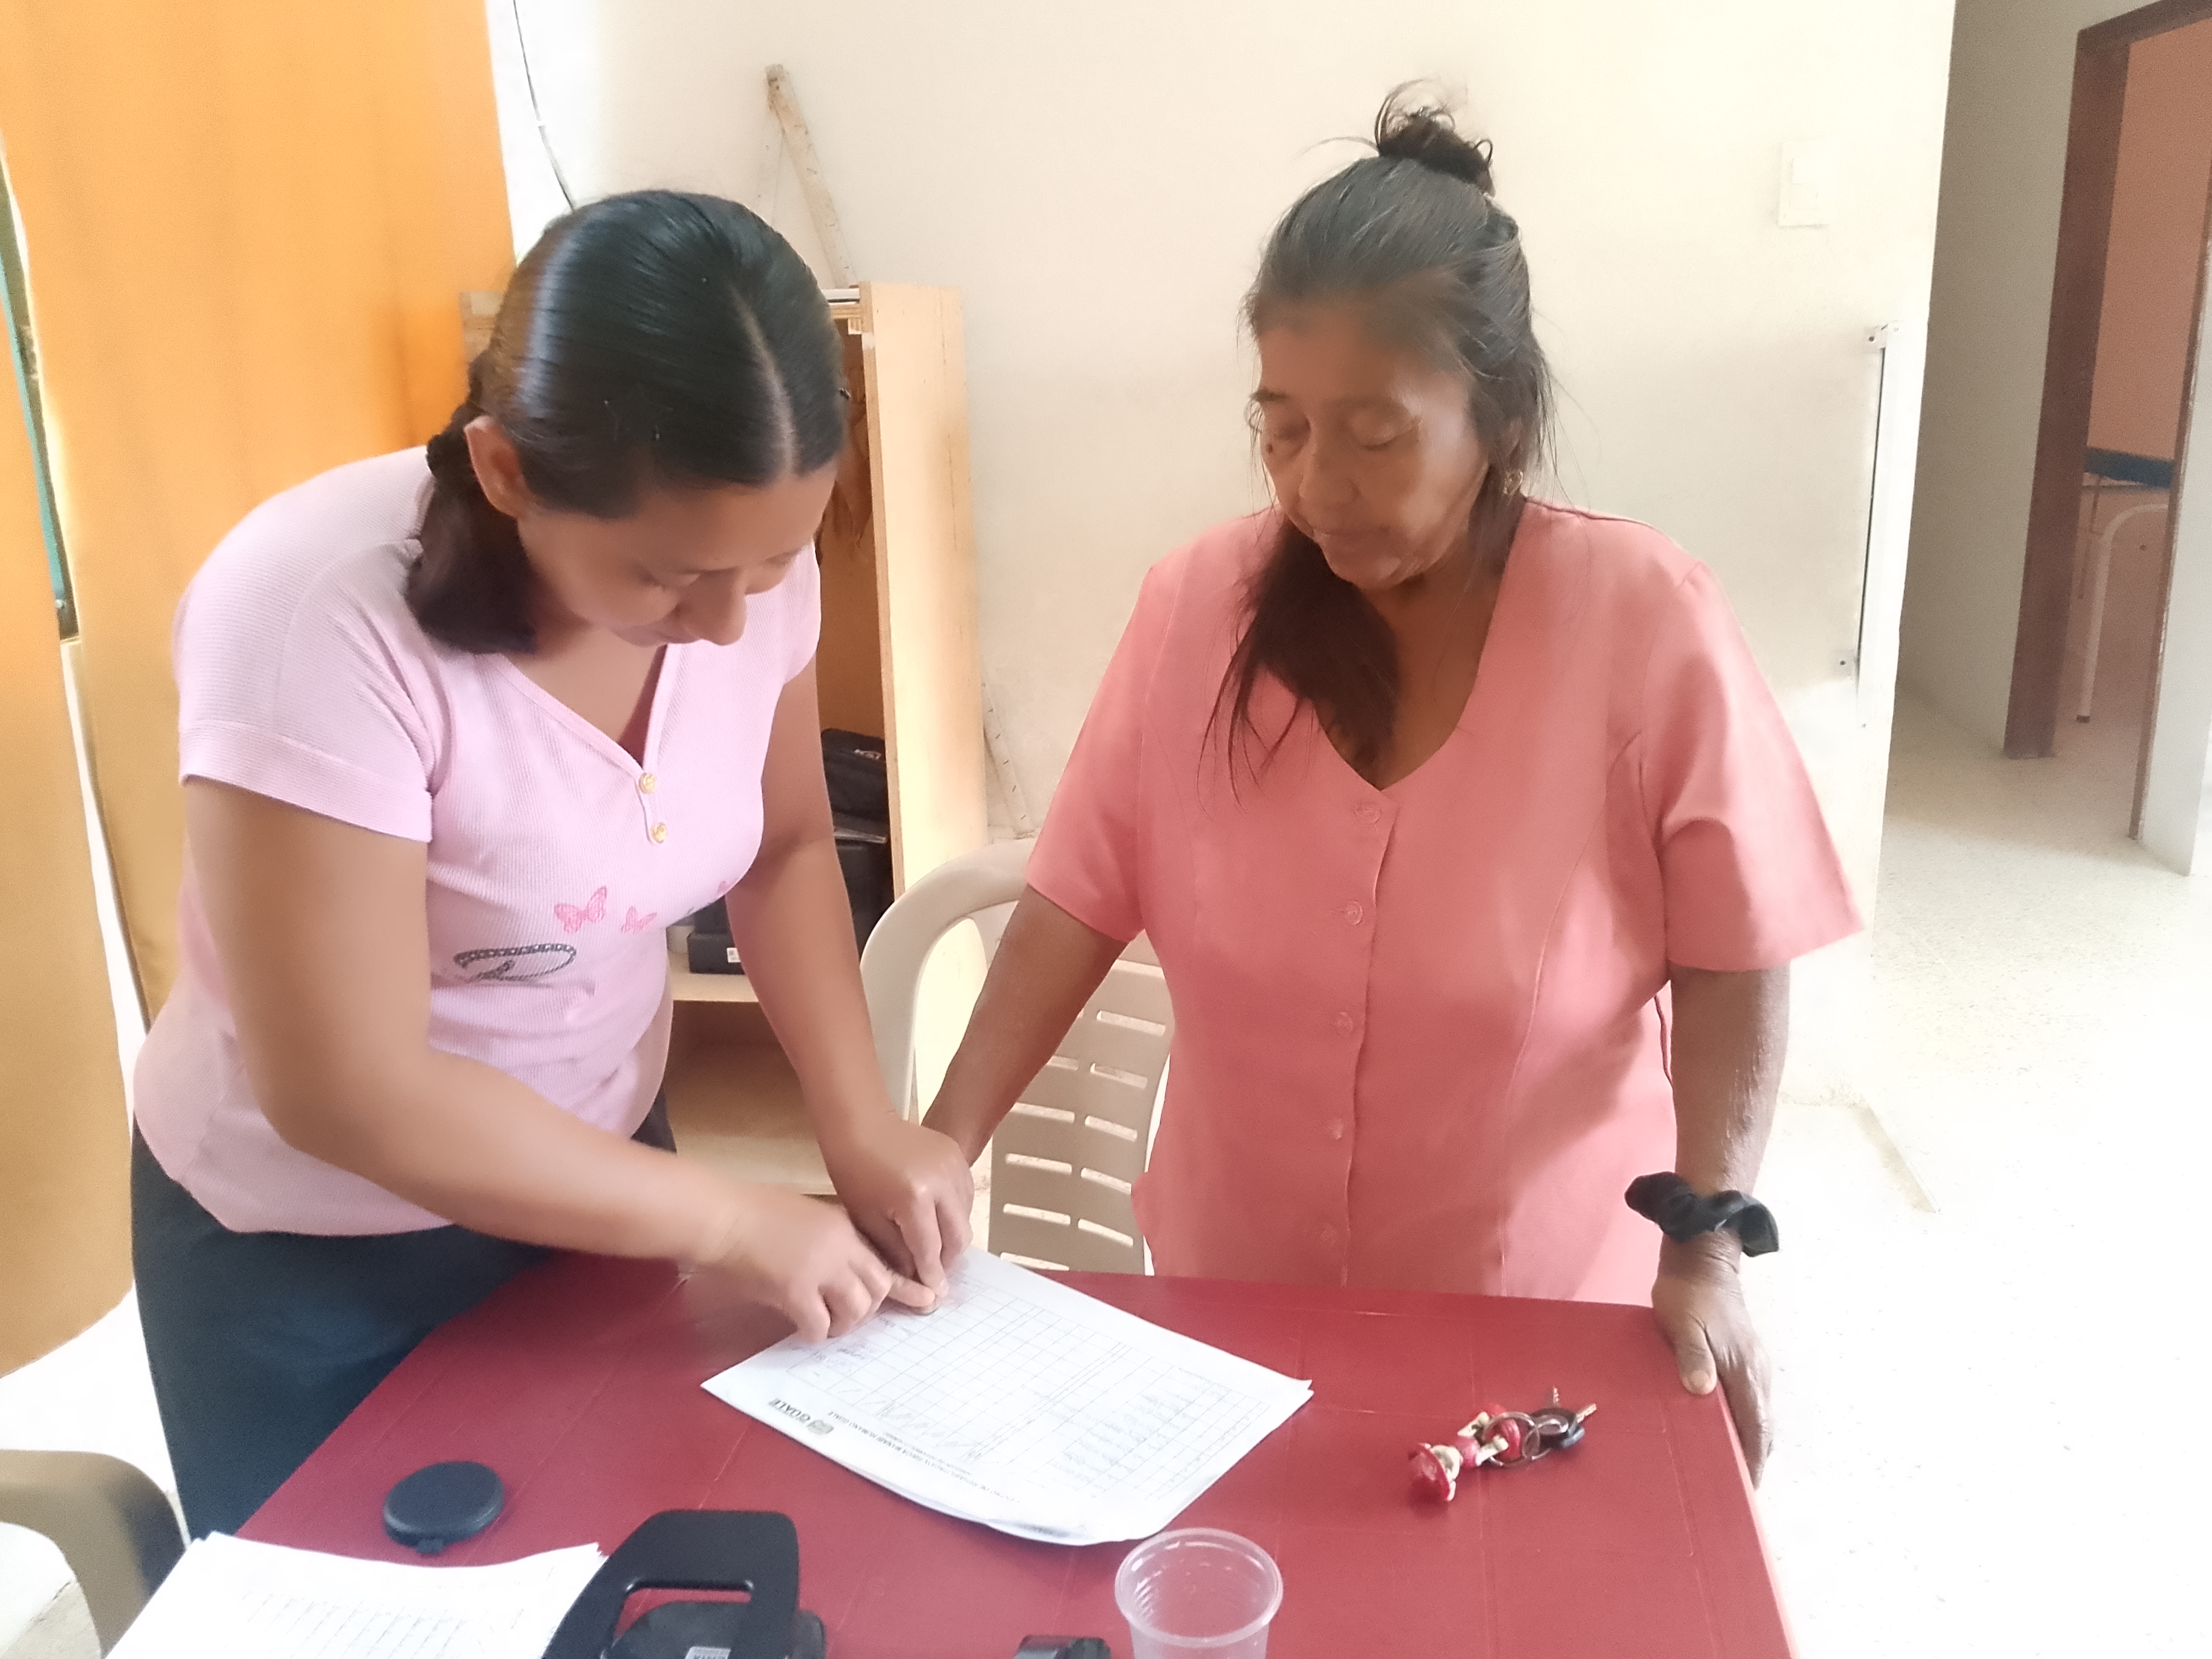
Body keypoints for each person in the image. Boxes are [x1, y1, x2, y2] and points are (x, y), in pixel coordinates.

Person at [924, 98, 1858, 1481]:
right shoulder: (1197, 609)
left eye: (1374, 435)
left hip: (1535, 1326)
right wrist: (942, 1146)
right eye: (1283, 429)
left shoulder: (1641, 619)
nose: (1319, 487)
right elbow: (1073, 901)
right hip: (1232, 1314)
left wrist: (1709, 1246)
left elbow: (1737, 949)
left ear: (1502, 418)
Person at [130, 191, 973, 1535]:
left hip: (605, 1179)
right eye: (664, 577)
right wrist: (729, 1220)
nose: (724, 623)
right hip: (315, 1253)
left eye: (772, 563)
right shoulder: (308, 614)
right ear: (507, 469)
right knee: (364, 1596)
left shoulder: (742, 573)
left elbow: (785, 847)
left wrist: (857, 1123)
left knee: (619, 1555)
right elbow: (348, 1089)